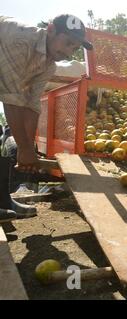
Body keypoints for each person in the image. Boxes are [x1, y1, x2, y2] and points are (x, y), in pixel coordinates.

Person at [0, 14, 92, 222]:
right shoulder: (20, 39)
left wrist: (29, 149)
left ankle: (2, 200)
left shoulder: (47, 64)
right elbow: (12, 98)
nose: (69, 52)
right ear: (50, 29)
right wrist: (23, 149)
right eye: (68, 43)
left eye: (74, 48)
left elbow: (31, 105)